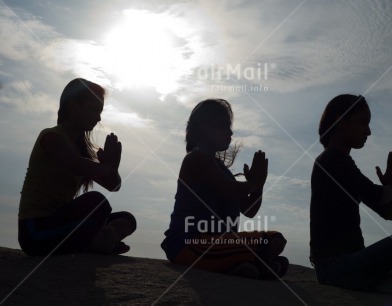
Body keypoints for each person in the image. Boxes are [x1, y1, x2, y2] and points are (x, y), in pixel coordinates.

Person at [309, 94, 392, 293]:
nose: (368, 131)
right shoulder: (331, 160)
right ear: (341, 122)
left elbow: (389, 213)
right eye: (363, 123)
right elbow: (379, 196)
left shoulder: (343, 164)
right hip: (335, 268)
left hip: (348, 262)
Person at [161, 99, 288, 279]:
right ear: (205, 127)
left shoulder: (222, 169)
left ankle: (240, 266)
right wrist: (255, 182)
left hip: (219, 244)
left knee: (277, 239)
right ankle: (250, 265)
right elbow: (230, 190)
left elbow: (249, 210)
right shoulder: (196, 158)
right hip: (190, 244)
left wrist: (258, 185)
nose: (230, 132)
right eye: (224, 126)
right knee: (268, 244)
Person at [18, 78, 136, 256]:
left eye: (100, 112)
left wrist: (113, 167)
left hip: (62, 224)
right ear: (73, 106)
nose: (98, 118)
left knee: (127, 219)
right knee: (97, 202)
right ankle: (97, 243)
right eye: (94, 110)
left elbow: (113, 186)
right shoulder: (51, 137)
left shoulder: (80, 152)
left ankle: (101, 240)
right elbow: (76, 165)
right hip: (36, 231)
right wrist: (107, 166)